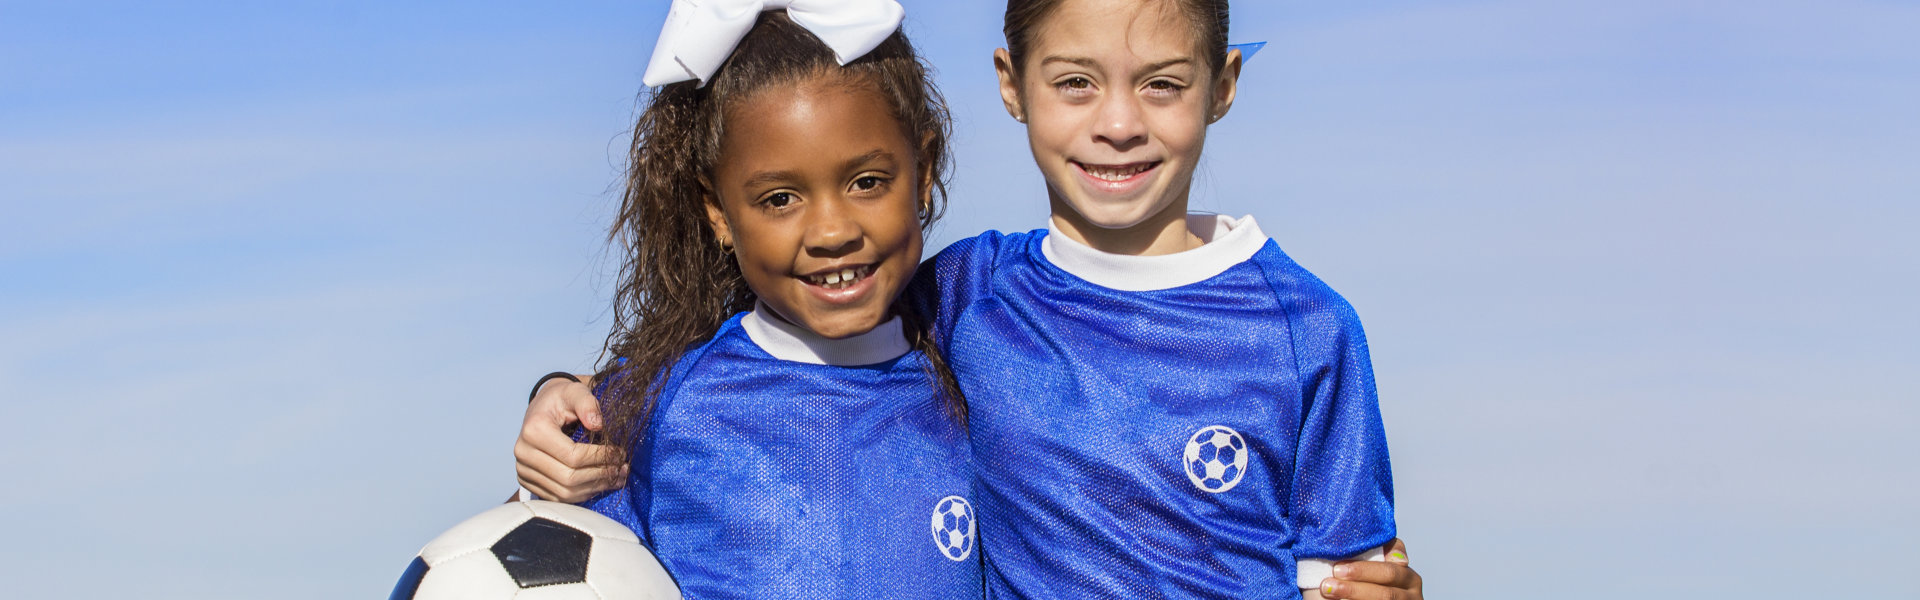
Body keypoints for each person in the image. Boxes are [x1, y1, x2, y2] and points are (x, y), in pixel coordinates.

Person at [520, 1, 1424, 598]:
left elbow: (1348, 571)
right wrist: (562, 397)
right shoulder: (973, 296)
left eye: (1162, 83)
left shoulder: (1308, 329)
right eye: (1075, 82)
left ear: (1221, 86)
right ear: (1012, 86)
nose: (1116, 122)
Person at [541, 3, 979, 598]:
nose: (831, 231)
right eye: (779, 199)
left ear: (923, 170)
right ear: (718, 212)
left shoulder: (981, 359)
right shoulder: (658, 407)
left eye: (867, 182)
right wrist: (547, 447)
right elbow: (536, 562)